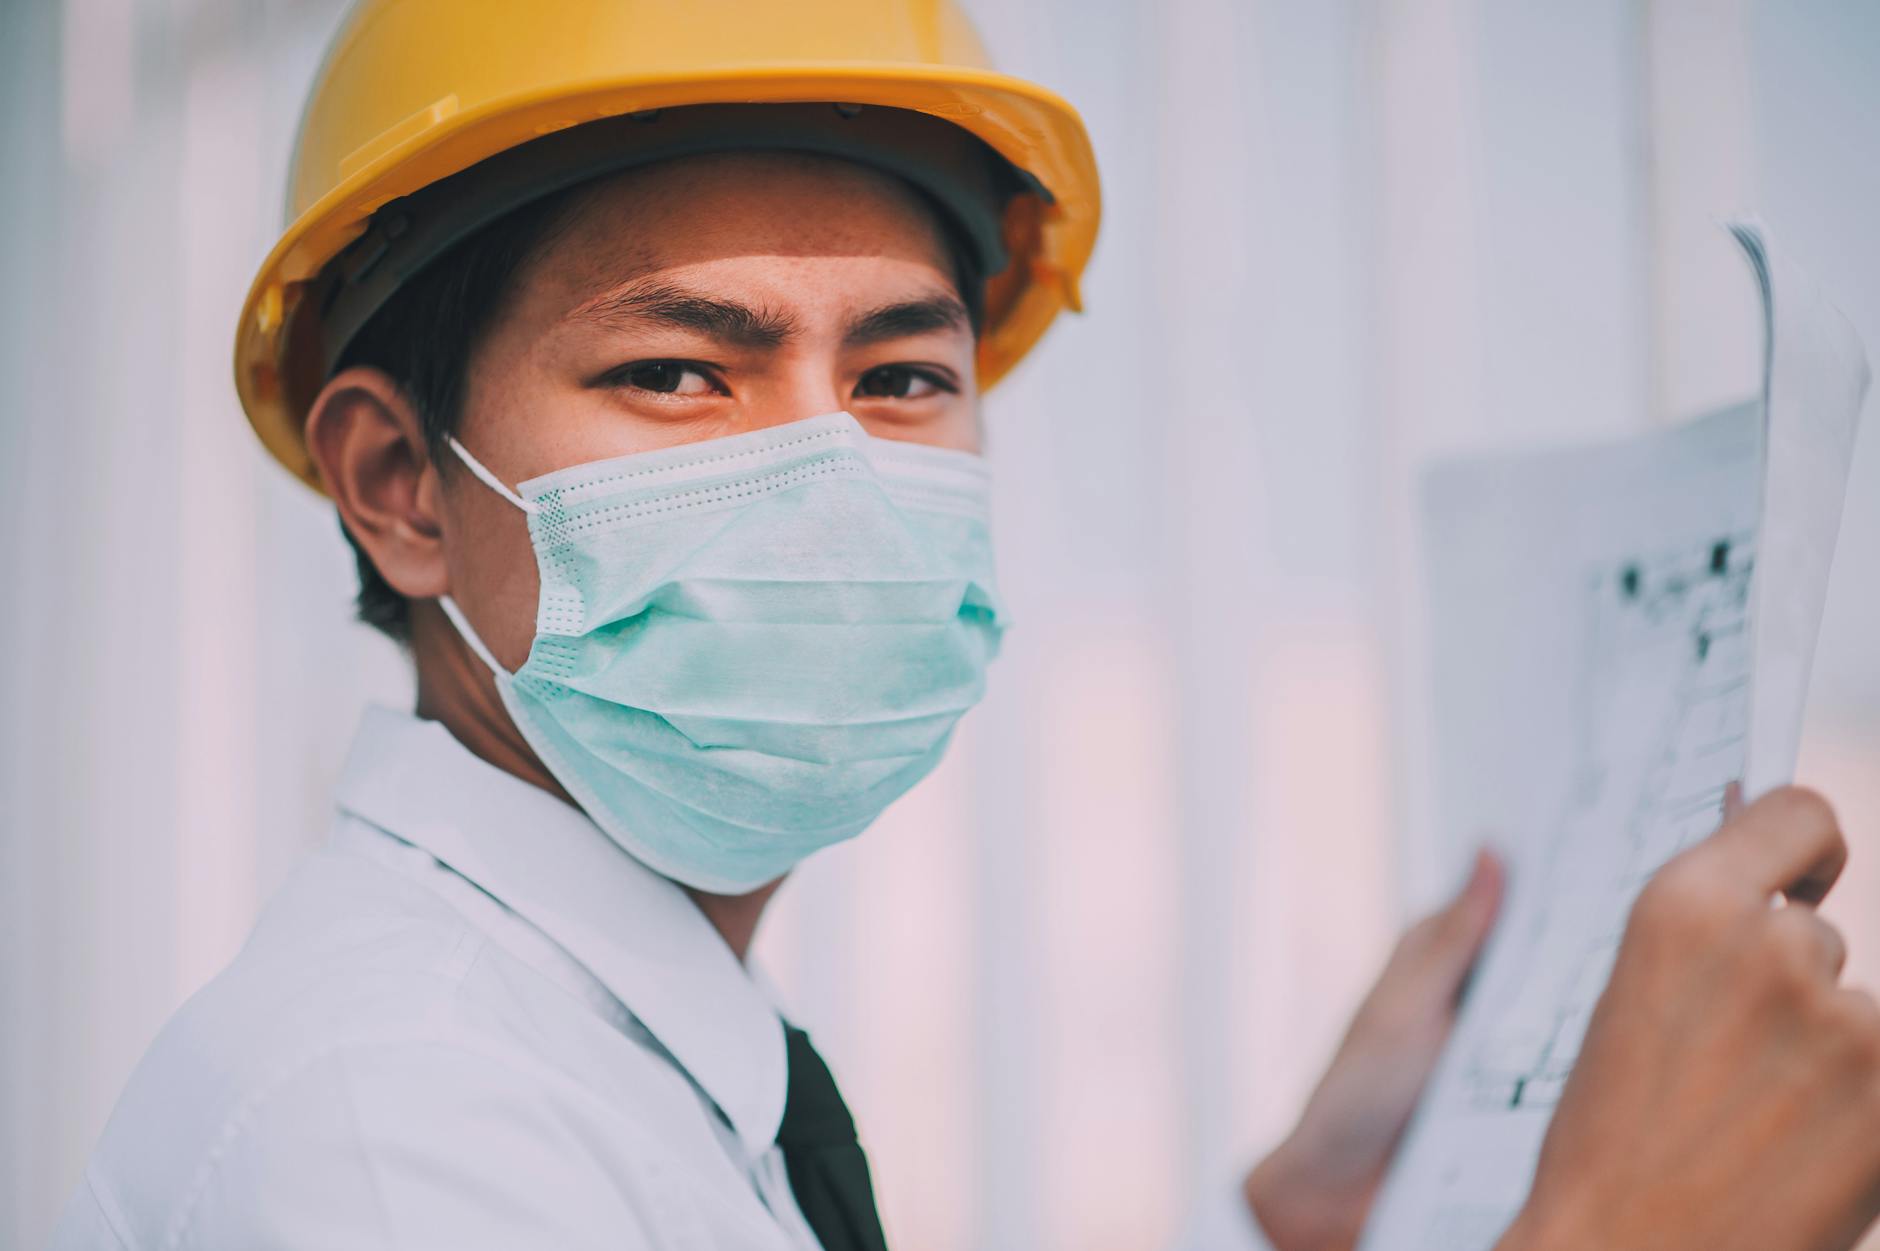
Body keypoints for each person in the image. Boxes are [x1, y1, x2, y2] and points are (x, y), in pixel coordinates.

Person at [52, 1, 1880, 1248]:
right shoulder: (393, 1135)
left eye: (906, 374)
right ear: (398, 485)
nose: (833, 475)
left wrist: (1292, 1221)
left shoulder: (598, 1049)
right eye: (682, 371)